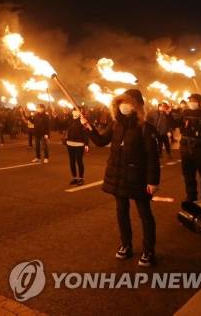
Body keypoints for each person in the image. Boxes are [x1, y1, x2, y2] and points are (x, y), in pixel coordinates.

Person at [82, 89, 160, 267]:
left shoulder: (145, 128)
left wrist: (153, 181)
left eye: (130, 103)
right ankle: (126, 245)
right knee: (121, 213)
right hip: (118, 176)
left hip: (138, 178)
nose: (125, 106)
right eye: (122, 102)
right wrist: (89, 128)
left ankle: (149, 250)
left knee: (145, 215)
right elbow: (101, 142)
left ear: (138, 106)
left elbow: (152, 157)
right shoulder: (115, 125)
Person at [65, 108, 89, 186]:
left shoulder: (82, 120)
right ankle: (74, 177)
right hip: (70, 143)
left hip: (79, 144)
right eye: (74, 110)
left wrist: (86, 144)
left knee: (79, 161)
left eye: (77, 111)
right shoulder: (69, 119)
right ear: (72, 112)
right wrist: (55, 117)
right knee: (71, 161)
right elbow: (61, 125)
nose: (76, 112)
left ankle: (81, 178)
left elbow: (86, 132)